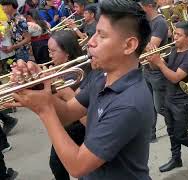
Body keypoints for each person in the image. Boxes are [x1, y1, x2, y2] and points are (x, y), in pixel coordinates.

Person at [7, 0, 154, 179]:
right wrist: (37, 87)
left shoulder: (129, 103)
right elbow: (68, 113)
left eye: (101, 35)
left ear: (129, 45)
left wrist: (44, 110)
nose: (90, 42)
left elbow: (77, 166)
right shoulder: (103, 77)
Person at [148, 21, 188, 173]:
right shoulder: (175, 50)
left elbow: (175, 78)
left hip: (182, 102)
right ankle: (176, 159)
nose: (174, 37)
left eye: (179, 35)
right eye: (174, 33)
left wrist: (160, 64)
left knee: (180, 134)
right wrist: (153, 60)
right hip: (169, 97)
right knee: (170, 131)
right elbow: (158, 67)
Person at [46, 30, 85, 180]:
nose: (50, 55)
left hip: (76, 126)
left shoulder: (76, 74)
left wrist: (49, 85)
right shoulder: (61, 69)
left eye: (53, 51)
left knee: (64, 166)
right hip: (68, 125)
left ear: (67, 53)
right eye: (49, 51)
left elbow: (64, 109)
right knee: (56, 164)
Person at [140, 0, 168, 142]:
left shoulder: (160, 23)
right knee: (149, 105)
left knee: (160, 107)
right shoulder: (146, 22)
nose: (139, 9)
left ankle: (176, 126)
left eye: (141, 6)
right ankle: (151, 135)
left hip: (157, 71)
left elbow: (152, 47)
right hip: (147, 69)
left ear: (149, 6)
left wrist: (137, 38)